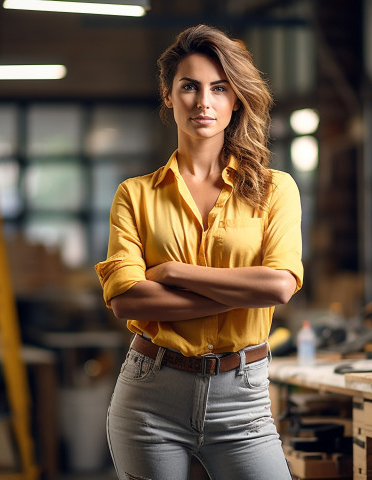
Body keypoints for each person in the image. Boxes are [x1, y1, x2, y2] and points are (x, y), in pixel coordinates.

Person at [95, 24, 303, 480]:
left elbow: (280, 285)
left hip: (243, 398)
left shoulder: (275, 190)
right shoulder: (135, 195)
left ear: (235, 99)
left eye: (219, 88)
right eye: (188, 86)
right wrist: (246, 292)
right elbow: (127, 300)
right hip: (151, 397)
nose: (203, 102)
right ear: (169, 96)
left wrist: (172, 271)